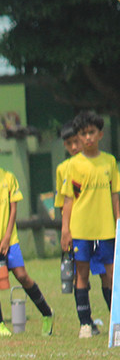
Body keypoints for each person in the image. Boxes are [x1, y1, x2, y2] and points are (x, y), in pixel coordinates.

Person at [0, 130, 54, 337]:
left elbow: (13, 209)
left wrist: (6, 237)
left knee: (21, 275)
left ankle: (47, 313)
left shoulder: (8, 178)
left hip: (9, 239)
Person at [60, 110, 120, 338]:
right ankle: (85, 323)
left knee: (112, 276)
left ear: (100, 134)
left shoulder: (109, 162)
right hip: (81, 229)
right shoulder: (73, 165)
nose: (87, 138)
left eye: (91, 132)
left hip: (105, 230)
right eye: (83, 134)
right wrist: (66, 230)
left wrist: (118, 224)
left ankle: (116, 322)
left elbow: (115, 196)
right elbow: (68, 200)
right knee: (82, 275)